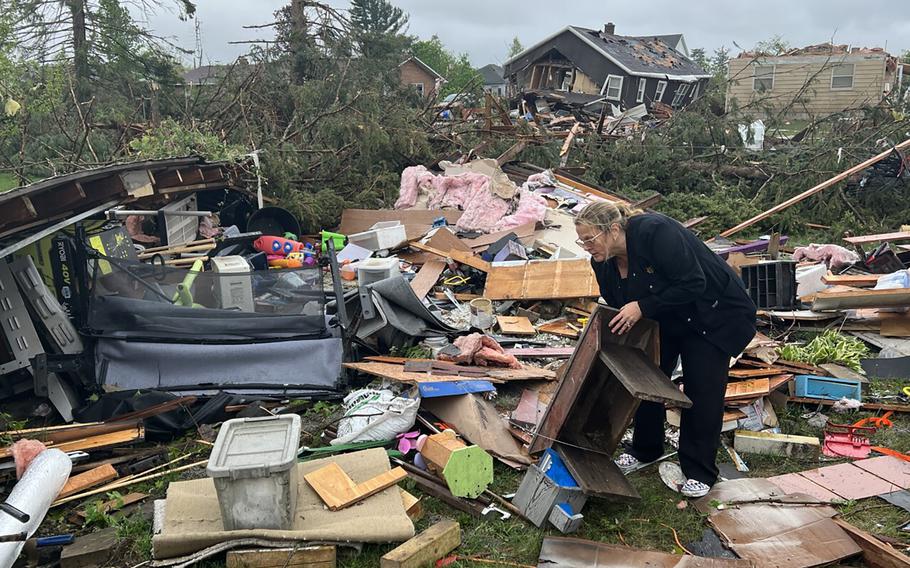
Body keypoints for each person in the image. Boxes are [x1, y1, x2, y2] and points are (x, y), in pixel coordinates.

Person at [574, 202, 756, 498]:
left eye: (590, 239)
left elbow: (694, 282)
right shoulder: (602, 262)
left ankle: (700, 471)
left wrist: (643, 306)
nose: (586, 246)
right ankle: (646, 449)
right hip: (668, 317)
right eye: (581, 240)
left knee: (702, 390)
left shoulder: (656, 233)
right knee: (647, 377)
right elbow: (616, 300)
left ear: (614, 229)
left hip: (712, 313)